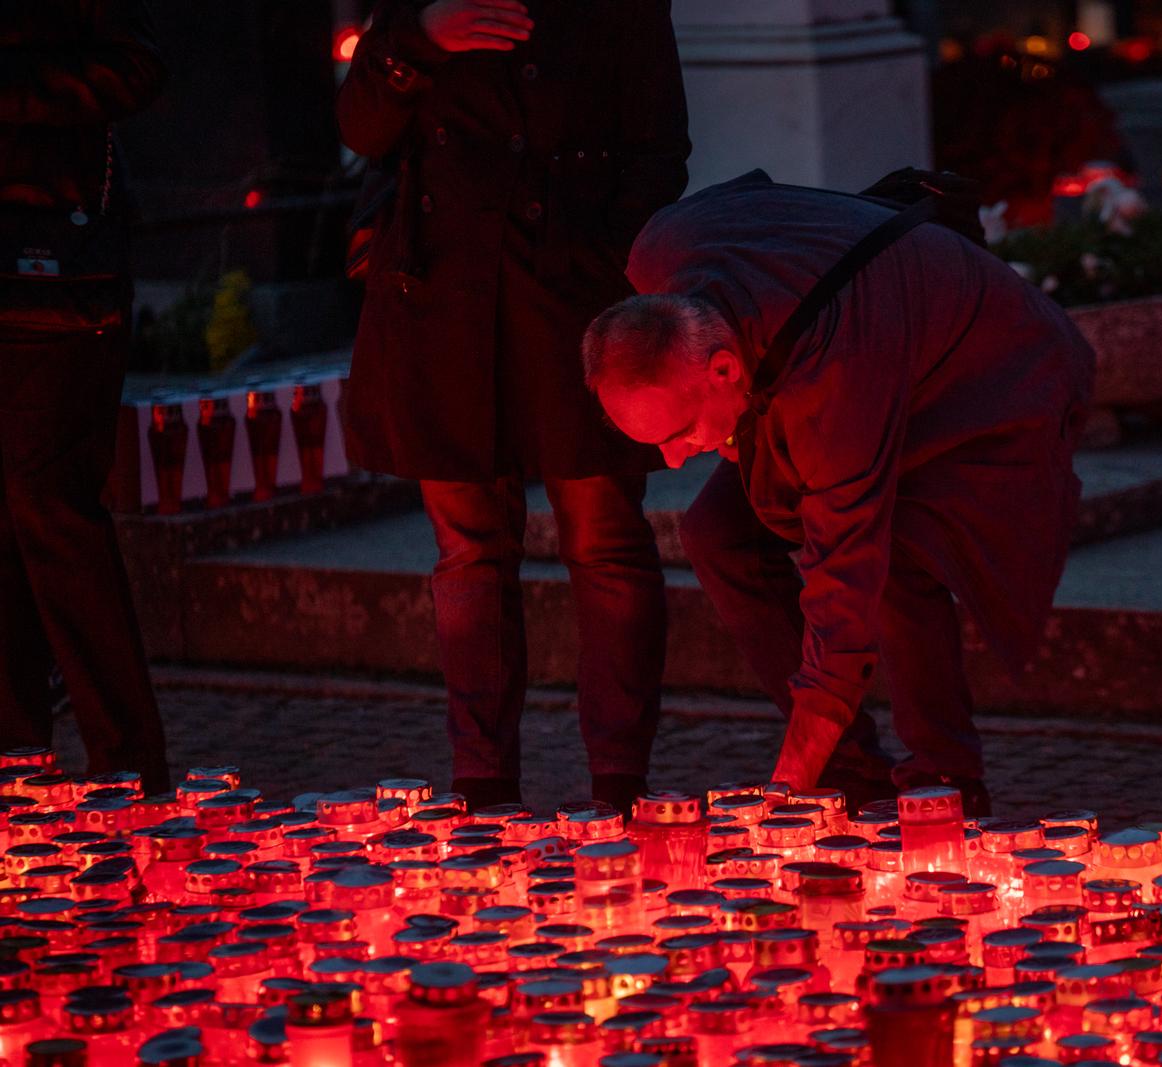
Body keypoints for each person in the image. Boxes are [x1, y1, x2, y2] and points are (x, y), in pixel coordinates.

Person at [581, 171, 1096, 811]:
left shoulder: (835, 385)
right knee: (715, 531)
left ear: (722, 369)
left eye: (682, 431)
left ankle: (946, 783)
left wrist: (783, 795)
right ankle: (851, 769)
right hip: (832, 336)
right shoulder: (660, 249)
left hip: (986, 376)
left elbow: (841, 593)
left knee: (901, 544)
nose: (675, 457)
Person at [336, 0, 690, 813]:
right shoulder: (420, 8)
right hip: (443, 299)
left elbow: (659, 147)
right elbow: (361, 129)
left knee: (604, 539)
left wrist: (601, 265)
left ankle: (620, 784)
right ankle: (483, 784)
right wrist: (421, 38)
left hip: (573, 300)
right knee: (468, 550)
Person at [0, 0, 171, 792]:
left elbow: (135, 62)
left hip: (53, 261)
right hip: (38, 257)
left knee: (52, 507)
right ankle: (20, 767)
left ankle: (127, 771)